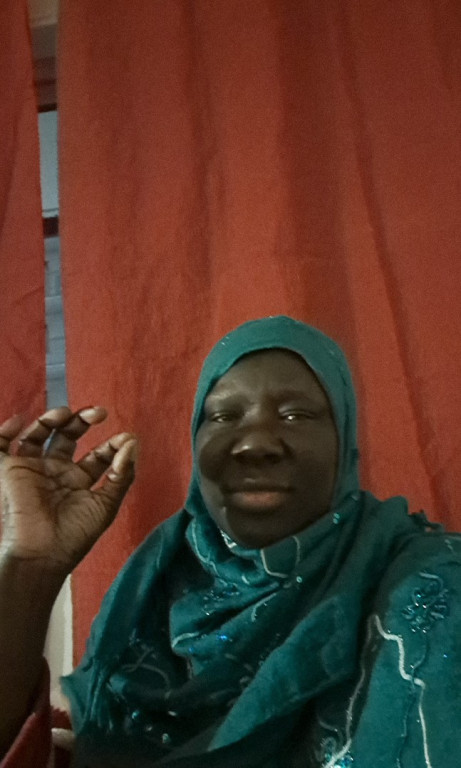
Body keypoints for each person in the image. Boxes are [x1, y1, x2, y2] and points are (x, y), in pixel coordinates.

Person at [0, 315, 460, 767]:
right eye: (223, 415)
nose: (255, 444)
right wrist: (29, 568)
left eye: (295, 415)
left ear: (343, 439)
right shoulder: (151, 593)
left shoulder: (432, 586)